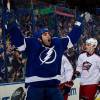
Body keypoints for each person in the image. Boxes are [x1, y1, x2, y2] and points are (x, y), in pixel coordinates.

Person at [6, 13, 85, 100]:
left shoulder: (57, 43)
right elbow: (19, 42)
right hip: (35, 86)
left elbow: (72, 38)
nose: (48, 35)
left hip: (53, 87)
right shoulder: (32, 43)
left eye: (48, 33)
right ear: (39, 39)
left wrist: (78, 24)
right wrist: (12, 25)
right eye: (45, 34)